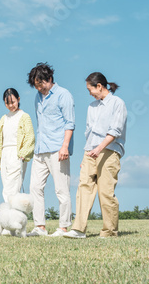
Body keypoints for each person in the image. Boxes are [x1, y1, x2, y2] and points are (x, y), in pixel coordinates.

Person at [64, 72, 127, 239]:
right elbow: (88, 132)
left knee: (105, 192)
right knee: (84, 187)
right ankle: (78, 229)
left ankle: (109, 232)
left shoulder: (117, 103)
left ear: (99, 86)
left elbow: (115, 130)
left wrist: (99, 148)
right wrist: (87, 153)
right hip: (90, 151)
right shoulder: (91, 106)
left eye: (90, 89)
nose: (89, 92)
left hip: (109, 150)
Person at [26, 62, 75, 237]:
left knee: (61, 189)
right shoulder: (37, 98)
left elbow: (70, 123)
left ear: (50, 79)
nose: (39, 88)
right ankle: (40, 226)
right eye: (36, 85)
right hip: (40, 149)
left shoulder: (64, 95)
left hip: (58, 149)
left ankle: (63, 227)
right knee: (35, 188)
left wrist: (65, 147)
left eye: (41, 84)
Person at [0, 88, 35, 203]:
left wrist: (24, 153)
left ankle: (11, 214)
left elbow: (30, 137)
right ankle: (10, 216)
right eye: (7, 103)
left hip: (17, 154)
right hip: (4, 154)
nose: (11, 105)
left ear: (18, 99)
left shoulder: (24, 116)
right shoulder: (3, 118)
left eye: (13, 102)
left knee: (12, 188)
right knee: (6, 188)